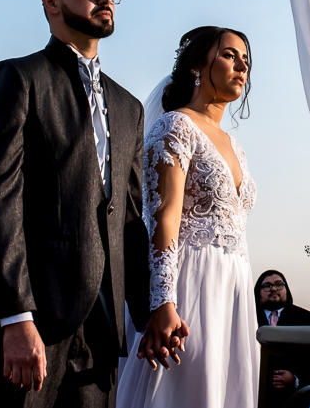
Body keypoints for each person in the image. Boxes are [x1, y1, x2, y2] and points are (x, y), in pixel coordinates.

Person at [0, 0, 150, 408]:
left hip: (102, 330)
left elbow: (128, 216)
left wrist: (152, 309)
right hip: (28, 323)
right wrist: (15, 317)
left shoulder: (129, 107)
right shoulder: (16, 79)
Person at [116, 26, 259, 408]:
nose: (241, 66)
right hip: (191, 280)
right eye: (229, 55)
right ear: (197, 63)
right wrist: (162, 302)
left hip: (234, 285)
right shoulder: (175, 125)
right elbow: (163, 217)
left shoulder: (236, 146)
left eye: (245, 60)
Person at [254, 270, 310, 407]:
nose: (273, 289)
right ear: (258, 292)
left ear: (286, 289)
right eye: (267, 286)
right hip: (254, 393)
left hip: (292, 398)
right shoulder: (248, 318)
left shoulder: (305, 319)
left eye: (279, 285)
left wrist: (295, 378)